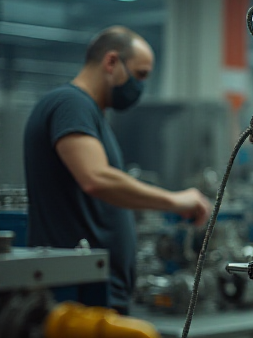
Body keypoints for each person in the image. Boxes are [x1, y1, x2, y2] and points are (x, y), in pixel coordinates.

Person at [24, 26, 212, 315]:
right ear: (111, 62)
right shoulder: (70, 104)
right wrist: (175, 201)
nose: (140, 86)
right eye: (139, 75)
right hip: (75, 295)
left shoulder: (91, 114)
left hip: (94, 293)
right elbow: (96, 178)